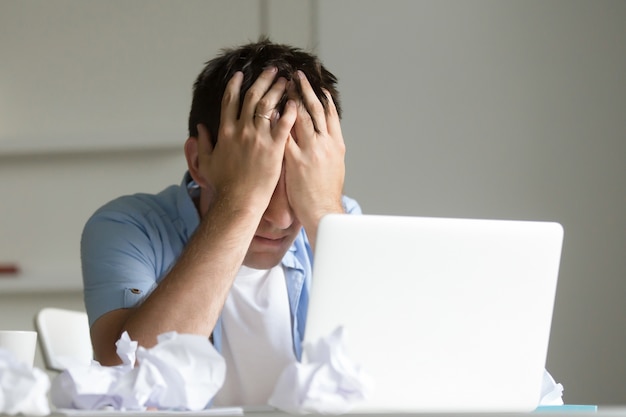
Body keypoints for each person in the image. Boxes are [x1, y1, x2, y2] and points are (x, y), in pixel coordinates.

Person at [80, 38, 361, 406]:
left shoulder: (338, 223)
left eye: (298, 184)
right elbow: (126, 385)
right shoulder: (127, 227)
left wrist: (324, 211)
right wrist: (241, 203)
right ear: (198, 162)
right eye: (260, 177)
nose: (279, 220)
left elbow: (395, 372)